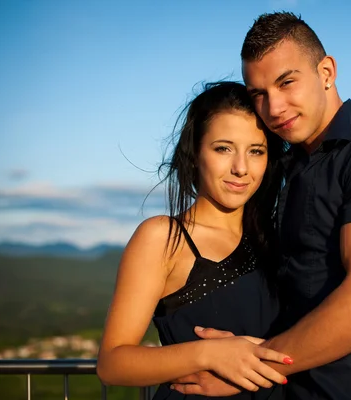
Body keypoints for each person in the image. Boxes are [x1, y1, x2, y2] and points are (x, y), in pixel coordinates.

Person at [171, 11, 351, 400]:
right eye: (258, 93)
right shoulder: (284, 167)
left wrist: (252, 367)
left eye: (286, 82)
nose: (273, 107)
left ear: (326, 72)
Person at [96, 81, 292, 399]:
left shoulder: (279, 238)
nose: (241, 168)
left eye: (256, 151)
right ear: (195, 154)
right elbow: (112, 364)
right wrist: (211, 354)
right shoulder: (164, 237)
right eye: (223, 148)